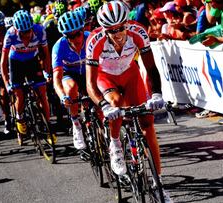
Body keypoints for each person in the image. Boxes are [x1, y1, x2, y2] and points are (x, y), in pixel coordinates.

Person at [85, 1, 172, 202]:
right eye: (112, 30)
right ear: (104, 29)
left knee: (148, 124)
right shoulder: (94, 40)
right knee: (115, 102)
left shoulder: (138, 31)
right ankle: (114, 143)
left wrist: (157, 94)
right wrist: (103, 106)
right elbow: (89, 83)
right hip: (105, 76)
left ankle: (157, 184)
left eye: (121, 27)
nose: (118, 33)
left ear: (127, 22)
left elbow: (150, 67)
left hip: (130, 74)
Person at [0, 10, 56, 143]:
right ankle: (19, 117)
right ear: (17, 30)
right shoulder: (10, 34)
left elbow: (46, 54)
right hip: (16, 62)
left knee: (43, 94)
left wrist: (47, 72)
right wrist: (7, 83)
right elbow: (3, 62)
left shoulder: (39, 30)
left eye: (28, 31)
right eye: (23, 32)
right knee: (19, 95)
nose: (27, 35)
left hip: (32, 60)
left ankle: (48, 128)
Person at [52, 11, 89, 150]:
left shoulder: (90, 38)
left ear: (83, 29)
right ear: (65, 36)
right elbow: (57, 78)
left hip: (88, 72)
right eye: (70, 36)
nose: (76, 38)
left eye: (78, 33)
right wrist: (63, 96)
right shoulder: (59, 46)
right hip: (70, 74)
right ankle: (76, 125)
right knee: (71, 87)